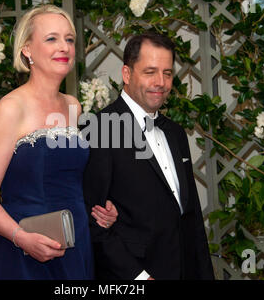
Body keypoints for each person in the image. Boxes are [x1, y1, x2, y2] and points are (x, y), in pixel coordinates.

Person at [0, 4, 117, 280]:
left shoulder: (73, 106)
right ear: (27, 49)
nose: (64, 47)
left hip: (74, 241)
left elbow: (68, 180)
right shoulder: (11, 108)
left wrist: (101, 208)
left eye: (69, 39)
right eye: (51, 39)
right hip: (21, 250)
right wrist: (21, 238)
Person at [83, 33, 214, 280]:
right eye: (150, 72)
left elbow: (191, 217)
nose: (161, 82)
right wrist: (141, 278)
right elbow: (93, 224)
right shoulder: (100, 129)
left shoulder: (175, 133)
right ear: (126, 74)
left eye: (167, 73)